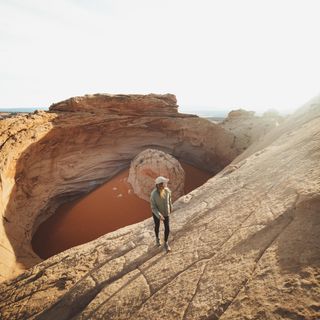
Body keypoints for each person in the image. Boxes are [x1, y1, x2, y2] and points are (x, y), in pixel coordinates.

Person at [150, 176, 173, 252]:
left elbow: (169, 199)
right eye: (164, 183)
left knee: (167, 227)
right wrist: (159, 215)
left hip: (166, 212)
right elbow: (153, 207)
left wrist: (170, 206)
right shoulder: (153, 194)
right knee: (157, 226)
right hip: (157, 214)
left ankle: (166, 242)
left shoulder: (167, 191)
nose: (165, 184)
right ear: (159, 184)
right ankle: (157, 238)